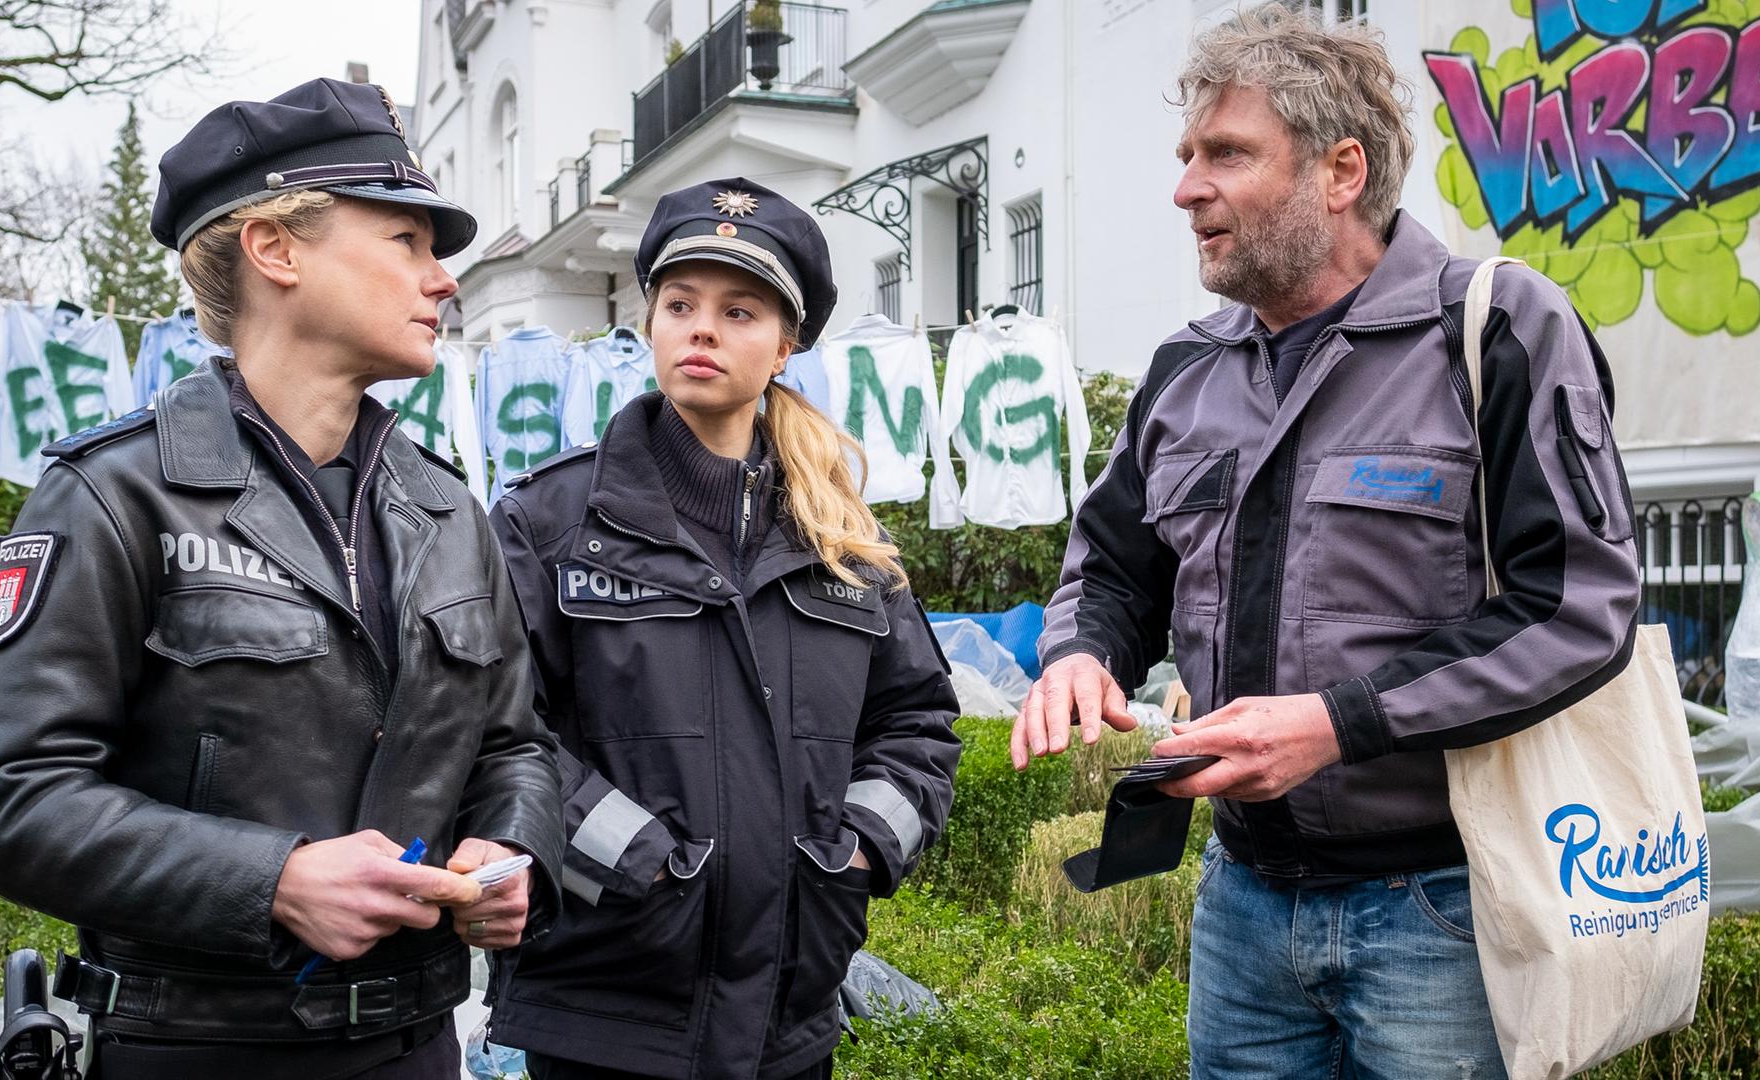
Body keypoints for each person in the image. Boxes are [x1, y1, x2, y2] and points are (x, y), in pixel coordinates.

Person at [1014, 6, 1642, 1077]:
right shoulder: (1184, 370)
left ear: (1341, 171)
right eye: (1186, 156)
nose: (1185, 189)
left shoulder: (1495, 329)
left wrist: (1337, 724)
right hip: (1242, 908)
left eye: (1225, 154)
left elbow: (1578, 607)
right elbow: (1113, 568)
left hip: (1442, 909)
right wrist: (1081, 654)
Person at [0, 78, 564, 1080]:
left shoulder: (450, 511)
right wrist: (272, 879)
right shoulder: (116, 494)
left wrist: (508, 846)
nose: (445, 279)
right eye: (406, 240)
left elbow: (513, 745)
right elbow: (9, 798)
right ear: (276, 249)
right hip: (194, 1051)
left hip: (416, 1049)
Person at [486, 177, 961, 1080]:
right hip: (607, 1013)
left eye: (738, 311)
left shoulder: (843, 540)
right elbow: (500, 731)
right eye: (680, 305)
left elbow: (919, 723)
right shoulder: (547, 524)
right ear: (651, 325)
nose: (701, 329)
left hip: (791, 1020)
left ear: (785, 346)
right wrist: (634, 862)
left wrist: (858, 849)